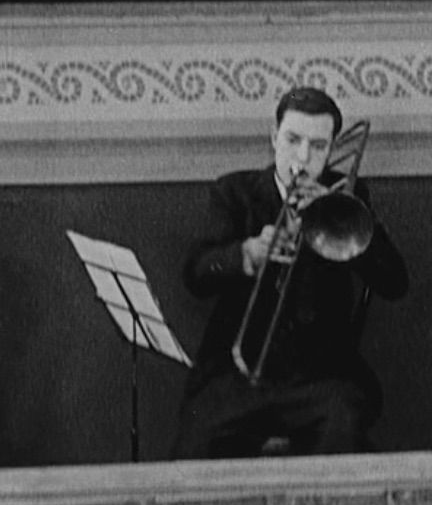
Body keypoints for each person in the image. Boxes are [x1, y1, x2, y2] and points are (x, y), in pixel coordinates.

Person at [172, 87, 409, 459]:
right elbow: (195, 274)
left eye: (318, 146)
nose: (302, 157)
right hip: (239, 375)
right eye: (293, 140)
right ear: (274, 138)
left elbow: (395, 282)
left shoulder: (347, 194)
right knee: (197, 441)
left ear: (331, 150)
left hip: (319, 378)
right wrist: (245, 254)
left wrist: (343, 216)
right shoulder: (234, 192)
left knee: (343, 424)